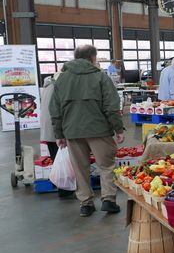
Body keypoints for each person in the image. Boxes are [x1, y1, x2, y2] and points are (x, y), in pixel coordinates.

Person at [50, 45, 125, 217]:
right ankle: (108, 200)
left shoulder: (61, 79)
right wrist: (118, 129)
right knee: (106, 165)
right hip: (99, 130)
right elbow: (111, 106)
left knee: (80, 168)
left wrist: (59, 134)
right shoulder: (101, 77)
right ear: (92, 58)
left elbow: (55, 110)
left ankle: (86, 203)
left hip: (72, 131)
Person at [40, 73, 74, 199]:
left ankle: (63, 187)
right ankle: (66, 189)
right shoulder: (58, 87)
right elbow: (59, 111)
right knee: (65, 160)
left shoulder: (48, 86)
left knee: (58, 160)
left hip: (48, 131)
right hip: (56, 130)